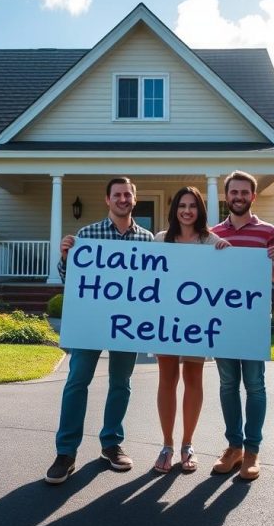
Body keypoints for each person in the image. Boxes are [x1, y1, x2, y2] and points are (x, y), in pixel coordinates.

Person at [45, 177, 154, 485]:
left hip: (128, 325)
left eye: (127, 194)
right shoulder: (87, 234)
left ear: (135, 198)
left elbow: (154, 287)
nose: (122, 199)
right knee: (77, 381)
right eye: (117, 195)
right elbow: (72, 280)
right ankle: (65, 453)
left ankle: (111, 444)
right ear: (108, 200)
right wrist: (66, 259)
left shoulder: (147, 240)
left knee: (121, 383)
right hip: (90, 322)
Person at [209, 170, 274, 481]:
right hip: (223, 322)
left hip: (253, 321)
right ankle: (233, 447)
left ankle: (252, 451)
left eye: (244, 192)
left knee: (254, 386)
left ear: (252, 197)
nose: (238, 197)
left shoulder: (267, 231)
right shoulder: (214, 233)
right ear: (226, 196)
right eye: (234, 192)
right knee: (228, 386)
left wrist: (271, 264)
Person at [151, 187, 230, 474]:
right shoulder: (161, 239)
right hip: (166, 321)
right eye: (182, 205)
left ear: (200, 210)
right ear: (174, 210)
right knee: (167, 379)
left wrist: (227, 254)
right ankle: (167, 445)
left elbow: (224, 275)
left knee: (193, 378)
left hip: (197, 322)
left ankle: (187, 444)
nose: (187, 210)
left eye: (192, 206)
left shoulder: (211, 240)